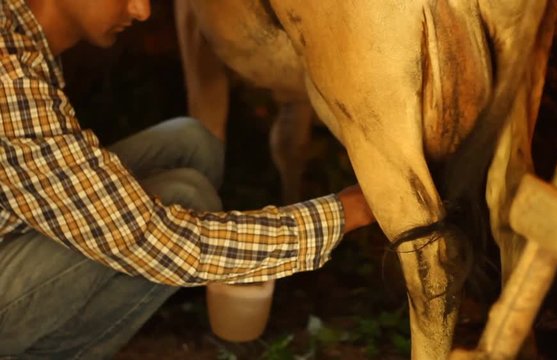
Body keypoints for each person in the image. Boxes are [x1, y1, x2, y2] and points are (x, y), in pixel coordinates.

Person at [0, 0, 376, 358]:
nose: (142, 11)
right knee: (184, 198)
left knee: (190, 142)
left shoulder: (16, 28)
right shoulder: (10, 82)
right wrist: (345, 213)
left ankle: (184, 280)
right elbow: (150, 237)